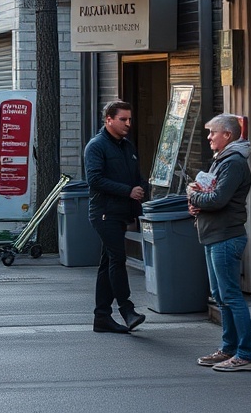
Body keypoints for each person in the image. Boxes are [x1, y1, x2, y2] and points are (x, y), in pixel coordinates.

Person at [188, 114, 251, 372]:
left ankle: (245, 355)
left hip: (226, 237)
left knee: (231, 296)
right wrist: (197, 203)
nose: (208, 137)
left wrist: (193, 196)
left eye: (212, 132)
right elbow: (210, 195)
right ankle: (229, 349)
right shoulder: (223, 160)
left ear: (227, 135)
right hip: (214, 235)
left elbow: (217, 199)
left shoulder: (234, 162)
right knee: (220, 296)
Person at [84, 100, 149, 334]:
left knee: (108, 263)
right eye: (123, 119)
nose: (128, 123)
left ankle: (101, 317)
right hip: (104, 213)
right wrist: (127, 191)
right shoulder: (96, 146)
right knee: (118, 259)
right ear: (108, 119)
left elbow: (135, 176)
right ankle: (126, 309)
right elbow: (94, 180)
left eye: (130, 119)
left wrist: (141, 188)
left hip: (121, 212)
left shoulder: (127, 146)